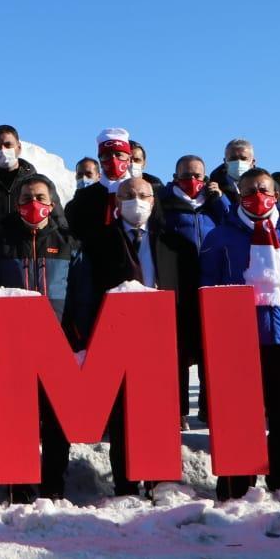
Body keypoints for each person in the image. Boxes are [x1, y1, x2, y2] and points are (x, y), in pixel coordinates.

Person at [200, 168, 280, 497]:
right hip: (239, 342)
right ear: (238, 195)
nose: (258, 196)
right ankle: (237, 486)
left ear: (276, 194)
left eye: (264, 189)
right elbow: (207, 285)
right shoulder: (219, 236)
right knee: (240, 417)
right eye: (250, 190)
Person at [0, 175, 89, 501]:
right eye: (25, 198)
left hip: (59, 345)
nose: (32, 204)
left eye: (39, 197)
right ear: (16, 204)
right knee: (15, 419)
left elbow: (81, 295)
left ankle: (53, 484)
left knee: (56, 420)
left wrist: (77, 338)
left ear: (51, 203)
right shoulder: (0, 245)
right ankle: (19, 486)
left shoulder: (69, 244)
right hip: (12, 347)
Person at [80, 178, 201, 482]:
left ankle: (160, 479)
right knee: (122, 418)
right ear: (117, 204)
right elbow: (87, 293)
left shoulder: (177, 245)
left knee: (160, 414)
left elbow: (188, 297)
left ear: (153, 200)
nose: (137, 201)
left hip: (163, 338)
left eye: (143, 195)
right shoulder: (96, 243)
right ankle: (125, 483)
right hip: (115, 338)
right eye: (128, 196)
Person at [0, 124, 62, 274]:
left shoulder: (40, 185)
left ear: (19, 148)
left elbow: (59, 225)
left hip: (31, 266)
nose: (2, 150)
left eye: (8, 144)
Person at [66, 128, 135, 240]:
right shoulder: (84, 197)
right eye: (107, 155)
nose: (113, 160)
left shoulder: (144, 192)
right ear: (101, 161)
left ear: (129, 159)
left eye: (119, 155)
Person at [158, 154, 231, 253]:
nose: (192, 180)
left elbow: (231, 220)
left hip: (210, 262)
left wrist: (220, 198)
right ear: (176, 177)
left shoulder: (212, 200)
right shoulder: (163, 200)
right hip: (179, 264)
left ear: (204, 178)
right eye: (186, 176)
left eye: (197, 176)